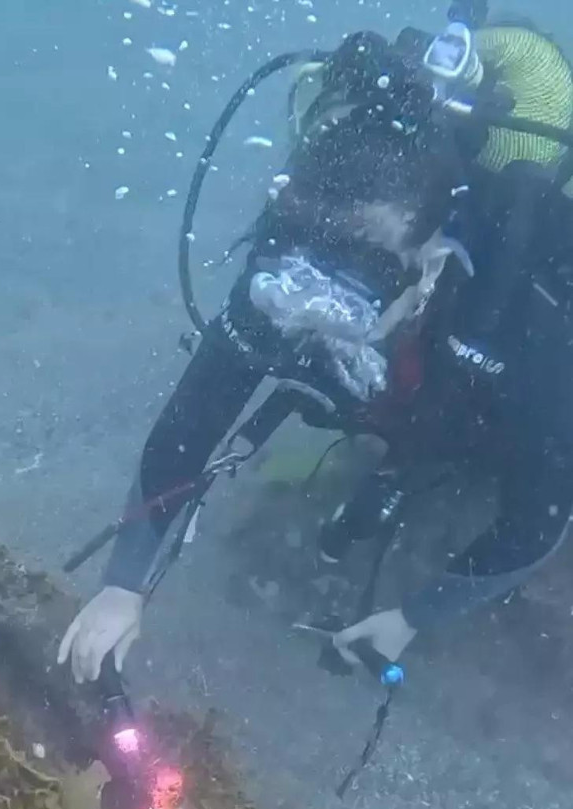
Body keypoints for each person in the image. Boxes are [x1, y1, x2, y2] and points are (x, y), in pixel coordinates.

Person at [58, 18, 573, 685]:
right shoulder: (285, 283)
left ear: (430, 264)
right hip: (419, 401)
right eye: (308, 258)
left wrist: (413, 615)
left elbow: (537, 520)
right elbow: (188, 429)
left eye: (363, 274)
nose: (318, 309)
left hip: (486, 395)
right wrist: (122, 587)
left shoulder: (519, 330)